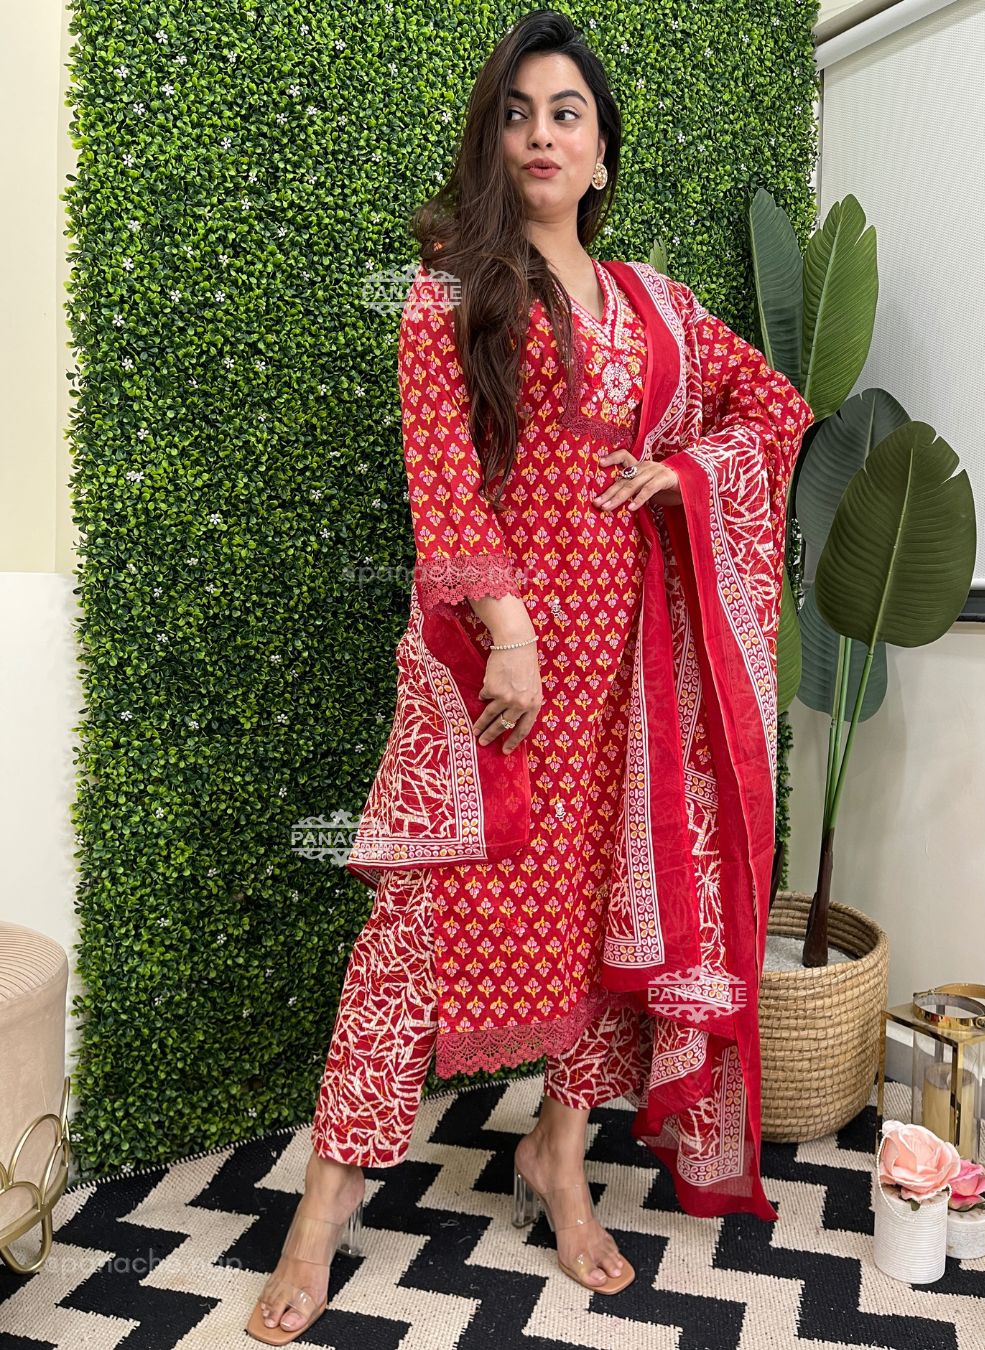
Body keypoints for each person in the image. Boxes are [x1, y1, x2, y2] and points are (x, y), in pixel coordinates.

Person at [247, 7, 814, 1343]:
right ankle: (321, 1212)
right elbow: (442, 475)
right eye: (517, 113)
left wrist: (684, 471)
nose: (542, 134)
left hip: (622, 683)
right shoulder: (450, 288)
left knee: (599, 929)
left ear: (603, 153)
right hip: (489, 673)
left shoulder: (657, 308)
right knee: (409, 935)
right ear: (491, 143)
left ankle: (559, 1156)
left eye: (568, 113)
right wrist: (508, 628)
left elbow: (775, 409)